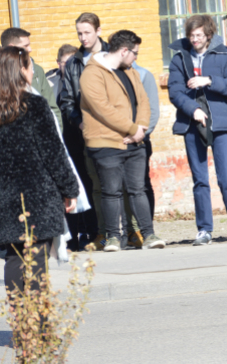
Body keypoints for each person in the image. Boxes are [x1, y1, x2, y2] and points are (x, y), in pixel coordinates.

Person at [0, 47, 78, 292]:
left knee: (13, 258)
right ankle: (38, 328)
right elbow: (53, 153)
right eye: (29, 66)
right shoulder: (34, 105)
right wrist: (69, 189)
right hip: (37, 196)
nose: (33, 71)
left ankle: (21, 325)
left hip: (5, 197)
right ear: (20, 70)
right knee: (36, 261)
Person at [168, 15, 227, 244]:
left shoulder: (224, 54)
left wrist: (209, 80)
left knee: (226, 178)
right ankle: (204, 230)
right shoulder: (180, 58)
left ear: (209, 35)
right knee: (200, 179)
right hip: (192, 123)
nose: (195, 39)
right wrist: (192, 110)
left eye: (199, 35)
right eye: (191, 35)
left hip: (221, 122)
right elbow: (175, 91)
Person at [79, 30, 165, 251]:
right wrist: (132, 128)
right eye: (134, 53)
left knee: (138, 189)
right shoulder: (92, 74)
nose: (136, 57)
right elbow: (102, 109)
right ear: (124, 50)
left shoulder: (131, 72)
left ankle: (149, 235)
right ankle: (113, 238)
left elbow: (143, 101)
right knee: (111, 191)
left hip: (135, 142)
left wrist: (140, 129)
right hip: (106, 143)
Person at [58, 13, 108, 250]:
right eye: (79, 33)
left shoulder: (112, 55)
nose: (83, 37)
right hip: (85, 133)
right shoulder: (73, 63)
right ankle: (96, 232)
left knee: (116, 184)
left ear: (98, 30)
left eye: (87, 32)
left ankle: (123, 232)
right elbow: (66, 100)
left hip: (113, 131)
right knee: (91, 184)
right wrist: (78, 122)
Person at [0, 27, 62, 129]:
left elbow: (52, 108)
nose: (30, 49)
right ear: (12, 47)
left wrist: (56, 133)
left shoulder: (37, 70)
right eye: (25, 46)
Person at [131, 61, 160, 220]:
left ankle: (147, 225)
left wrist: (141, 133)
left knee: (142, 183)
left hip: (141, 140)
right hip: (120, 140)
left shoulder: (144, 75)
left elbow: (153, 111)